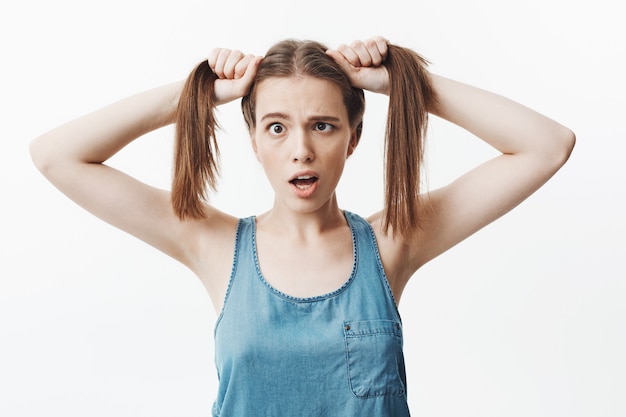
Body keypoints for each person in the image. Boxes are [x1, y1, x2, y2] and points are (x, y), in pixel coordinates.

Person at [29, 36, 575, 416]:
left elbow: (547, 146)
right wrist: (198, 92)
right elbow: (57, 156)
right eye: (276, 127)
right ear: (254, 140)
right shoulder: (212, 243)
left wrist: (402, 84)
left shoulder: (393, 241)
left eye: (323, 125)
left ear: (352, 139)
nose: (301, 151)